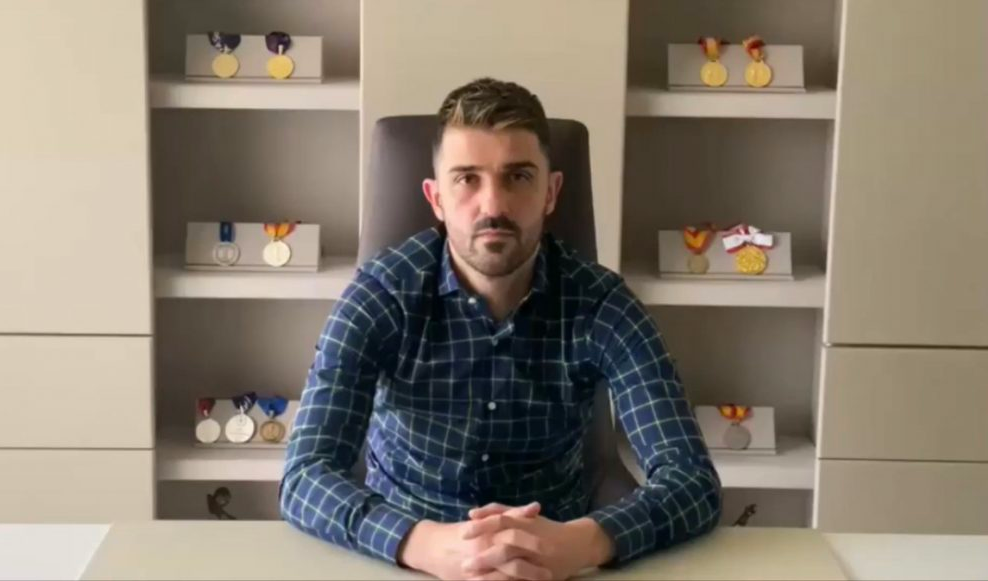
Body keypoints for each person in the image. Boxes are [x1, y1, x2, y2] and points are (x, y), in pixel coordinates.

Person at [280, 77, 721, 580]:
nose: (493, 206)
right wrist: (422, 544)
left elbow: (692, 480)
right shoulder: (380, 295)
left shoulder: (602, 304)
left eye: (518, 177)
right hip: (406, 560)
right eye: (467, 179)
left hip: (554, 565)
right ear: (436, 198)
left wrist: (583, 542)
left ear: (551, 191)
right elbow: (304, 475)